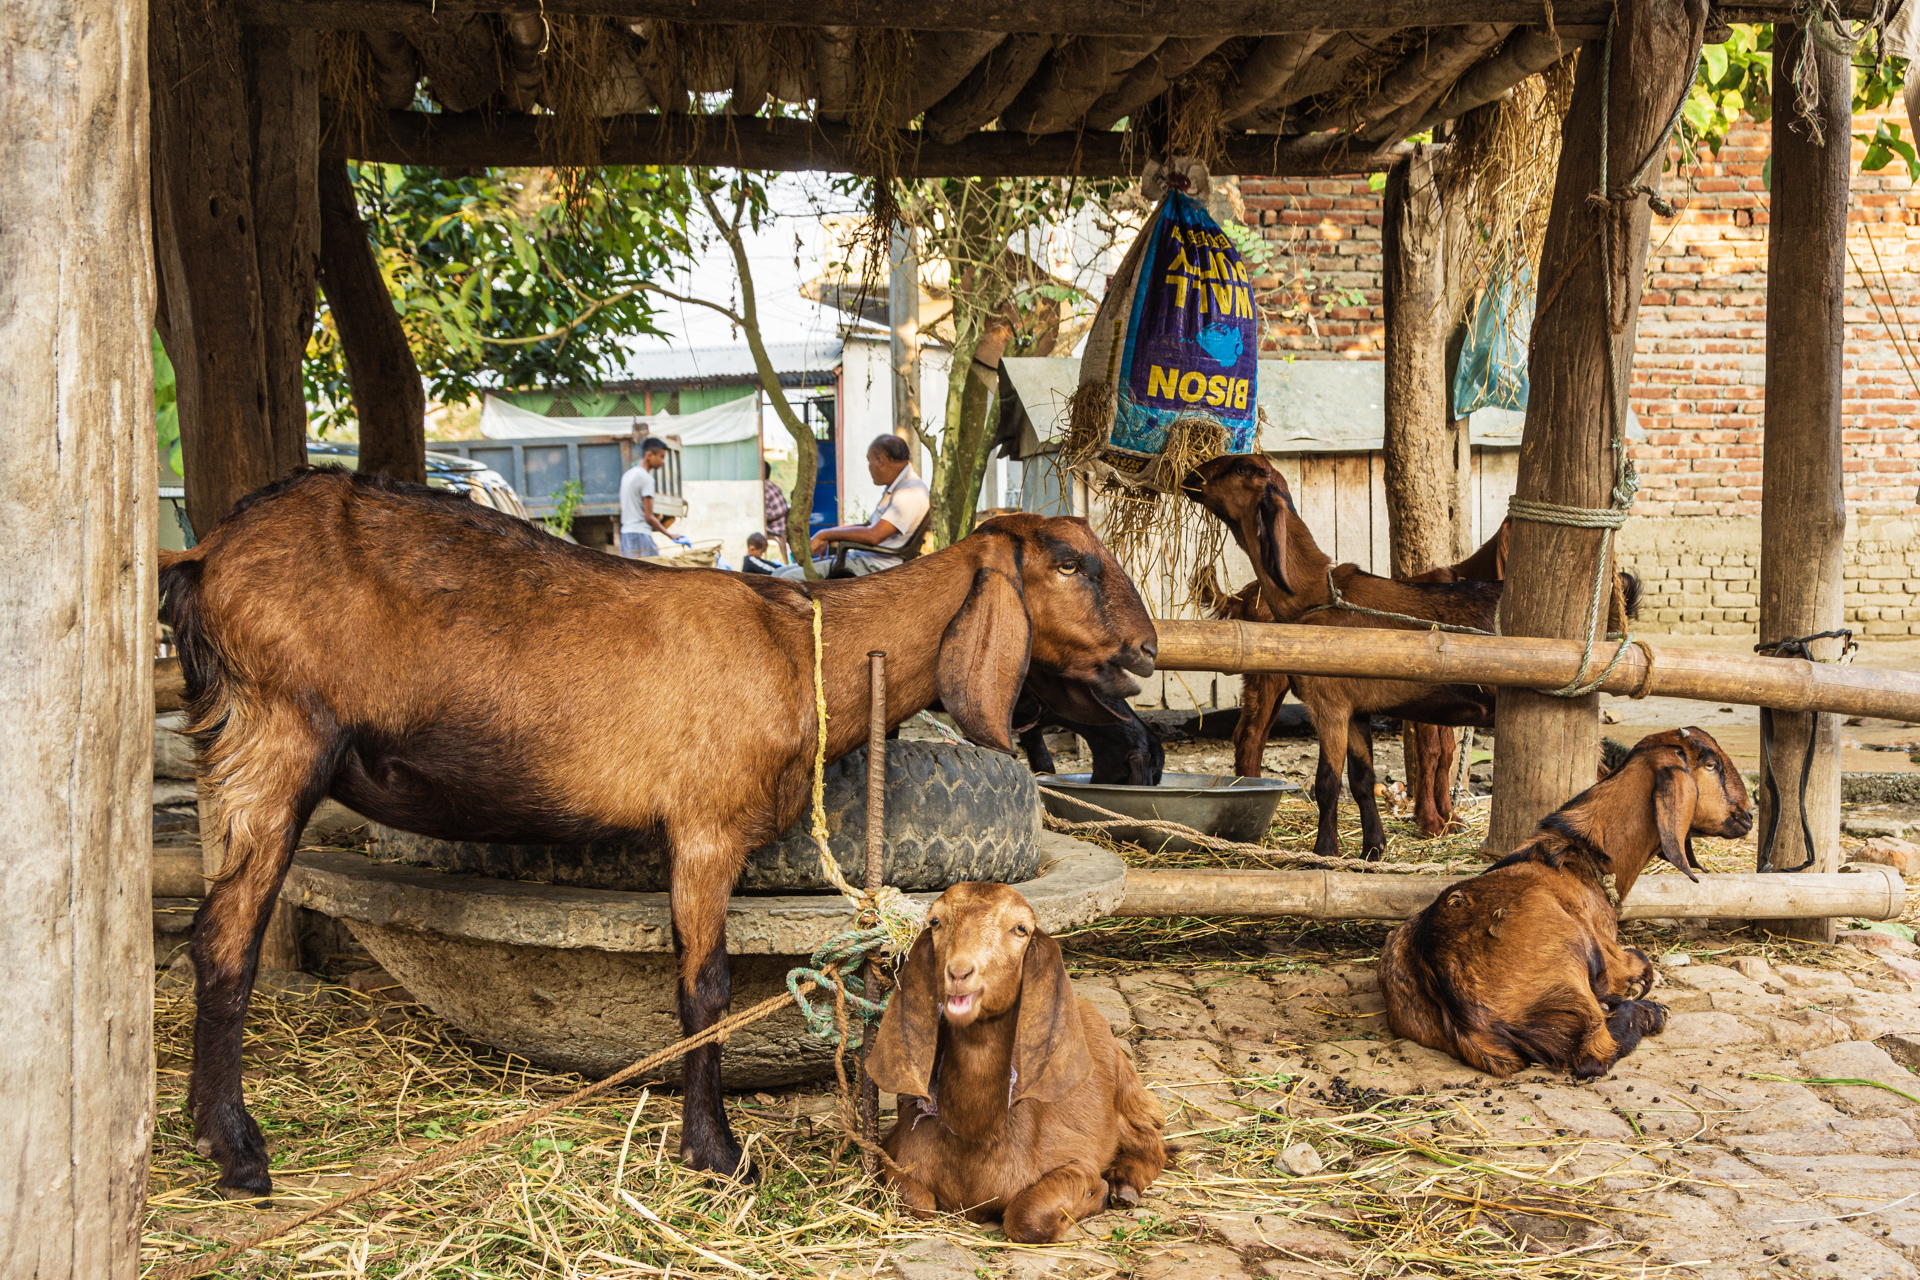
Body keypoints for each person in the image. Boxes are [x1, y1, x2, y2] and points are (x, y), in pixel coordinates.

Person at [775, 435, 929, 580]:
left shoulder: (910, 492)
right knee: (778, 572)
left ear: (880, 460)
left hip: (876, 566)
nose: (869, 467)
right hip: (864, 558)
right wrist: (828, 534)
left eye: (869, 460)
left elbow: (874, 535)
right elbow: (867, 526)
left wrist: (825, 535)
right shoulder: (897, 488)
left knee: (786, 579)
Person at [618, 438, 684, 558]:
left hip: (626, 534)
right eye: (661, 456)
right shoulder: (646, 479)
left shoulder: (627, 475)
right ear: (649, 455)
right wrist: (670, 535)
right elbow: (649, 517)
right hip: (640, 535)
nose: (663, 461)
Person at [762, 460, 791, 561]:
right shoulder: (774, 486)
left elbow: (766, 516)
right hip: (782, 525)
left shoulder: (763, 489)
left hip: (774, 528)